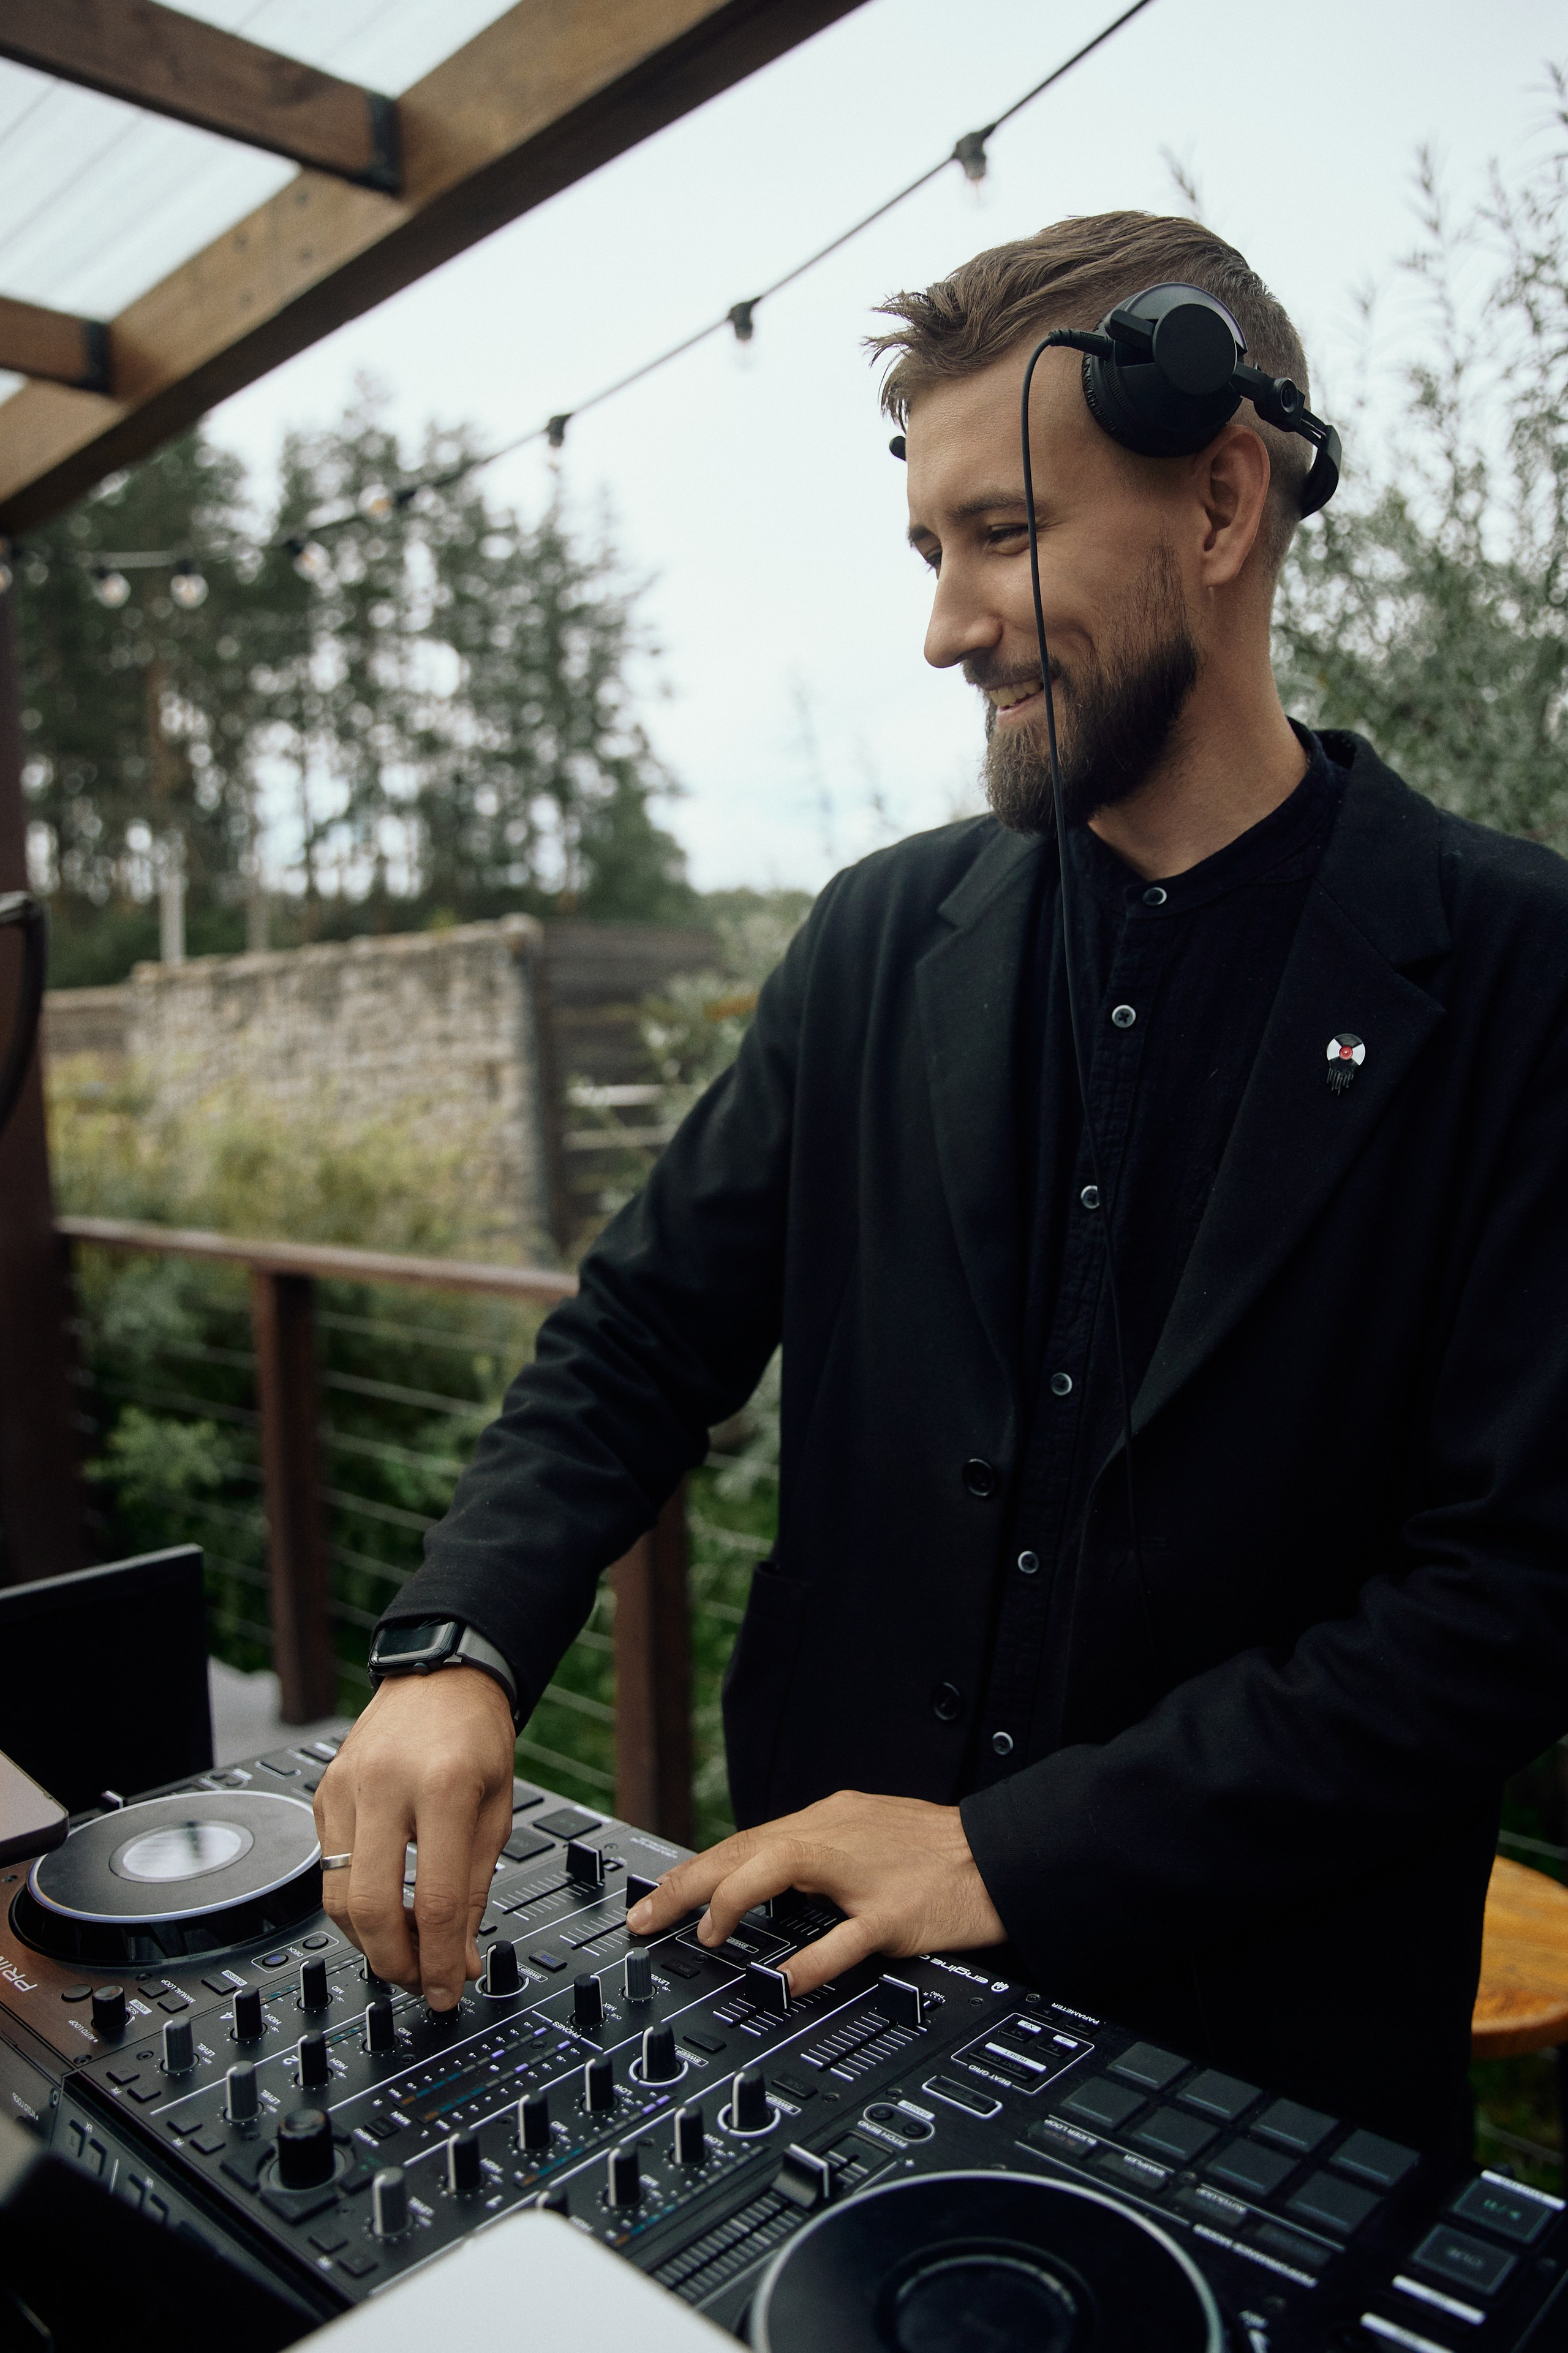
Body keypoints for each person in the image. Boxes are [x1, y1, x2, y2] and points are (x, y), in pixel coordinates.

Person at [315, 211, 1568, 2153]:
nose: (945, 624)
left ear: (1225, 501)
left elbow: (1511, 1601)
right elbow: (644, 1331)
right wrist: (459, 1644)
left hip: (1270, 2071)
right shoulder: (874, 938)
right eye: (931, 548)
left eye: (1006, 537)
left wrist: (1015, 1851)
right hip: (819, 2003)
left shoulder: (1518, 972)